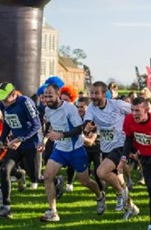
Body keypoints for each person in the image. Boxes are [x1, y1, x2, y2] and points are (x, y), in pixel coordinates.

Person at [38, 82, 105, 222]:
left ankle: (100, 195)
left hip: (76, 150)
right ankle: (53, 212)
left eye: (50, 96)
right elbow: (48, 125)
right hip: (60, 150)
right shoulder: (47, 109)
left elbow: (79, 129)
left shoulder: (69, 108)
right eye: (45, 96)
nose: (47, 99)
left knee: (85, 181)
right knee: (47, 176)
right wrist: (43, 141)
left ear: (58, 95)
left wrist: (61, 135)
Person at [0, 82, 44, 219]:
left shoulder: (25, 102)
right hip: (15, 144)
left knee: (35, 177)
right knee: (4, 170)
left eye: (5, 98)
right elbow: (7, 123)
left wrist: (21, 139)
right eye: (1, 98)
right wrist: (1, 140)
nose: (3, 102)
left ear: (13, 94)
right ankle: (6, 207)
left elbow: (37, 125)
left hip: (31, 143)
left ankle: (56, 181)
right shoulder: (3, 105)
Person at [84, 81, 133, 214]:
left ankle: (120, 193)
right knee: (119, 179)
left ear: (104, 94)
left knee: (101, 172)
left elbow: (135, 111)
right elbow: (87, 121)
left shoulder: (117, 105)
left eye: (96, 93)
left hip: (121, 145)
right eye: (91, 93)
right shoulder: (91, 107)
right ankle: (131, 207)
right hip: (106, 148)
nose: (93, 96)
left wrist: (131, 128)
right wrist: (88, 126)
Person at [120, 96, 151, 230]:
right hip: (145, 158)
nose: (134, 114)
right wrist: (124, 158)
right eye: (132, 110)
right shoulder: (129, 120)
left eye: (137, 111)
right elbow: (128, 139)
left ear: (146, 110)